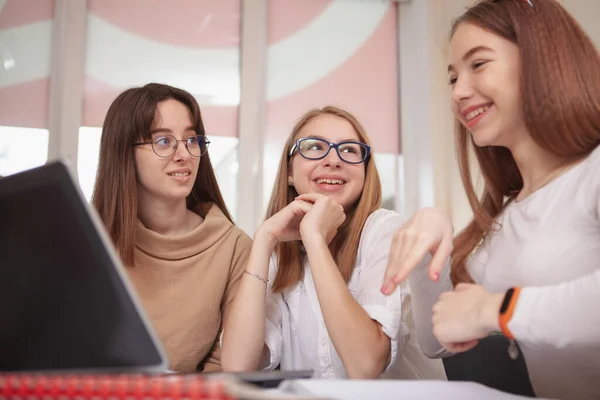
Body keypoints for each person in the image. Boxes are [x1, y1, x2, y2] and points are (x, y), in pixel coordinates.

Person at [380, 0, 600, 399]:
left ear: (542, 60)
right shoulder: (507, 219)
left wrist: (493, 310)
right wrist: (431, 250)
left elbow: (488, 312)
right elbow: (440, 339)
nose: (459, 93)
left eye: (478, 65)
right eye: (452, 78)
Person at [221, 106, 417, 379]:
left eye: (349, 150)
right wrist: (264, 240)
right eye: (314, 147)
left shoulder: (386, 230)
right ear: (289, 171)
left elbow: (365, 364)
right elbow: (237, 366)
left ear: (365, 171)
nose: (333, 160)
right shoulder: (283, 251)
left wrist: (315, 239)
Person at [92, 83, 252, 373]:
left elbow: (226, 366)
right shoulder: (91, 241)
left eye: (192, 140)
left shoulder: (233, 247)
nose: (185, 154)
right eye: (163, 142)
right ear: (123, 153)